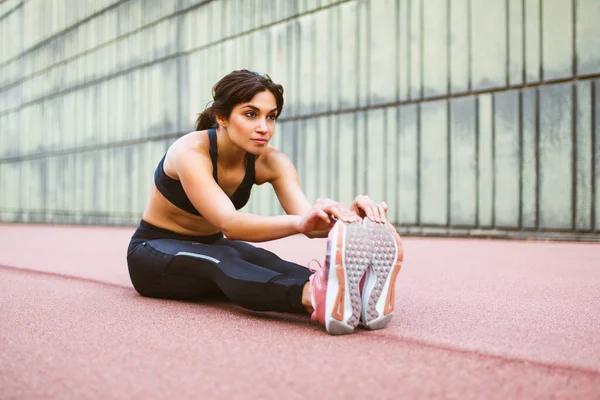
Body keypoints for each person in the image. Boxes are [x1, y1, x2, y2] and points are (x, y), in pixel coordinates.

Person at [126, 70, 404, 335]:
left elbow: (311, 224)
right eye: (250, 114)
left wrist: (350, 217)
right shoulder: (190, 151)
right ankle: (315, 297)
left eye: (271, 117)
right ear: (221, 116)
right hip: (153, 254)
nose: (264, 128)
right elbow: (230, 224)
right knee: (224, 257)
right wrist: (299, 222)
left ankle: (351, 290)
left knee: (264, 260)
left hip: (207, 245)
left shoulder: (272, 161)